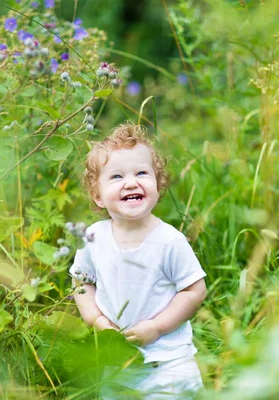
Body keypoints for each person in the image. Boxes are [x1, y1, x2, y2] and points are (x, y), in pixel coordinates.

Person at [69, 122, 207, 398]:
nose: (131, 182)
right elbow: (81, 282)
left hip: (168, 364)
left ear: (158, 184)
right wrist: (95, 319)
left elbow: (195, 289)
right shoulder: (94, 237)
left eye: (142, 173)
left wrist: (157, 326)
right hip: (117, 365)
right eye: (117, 177)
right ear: (98, 195)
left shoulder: (169, 241)